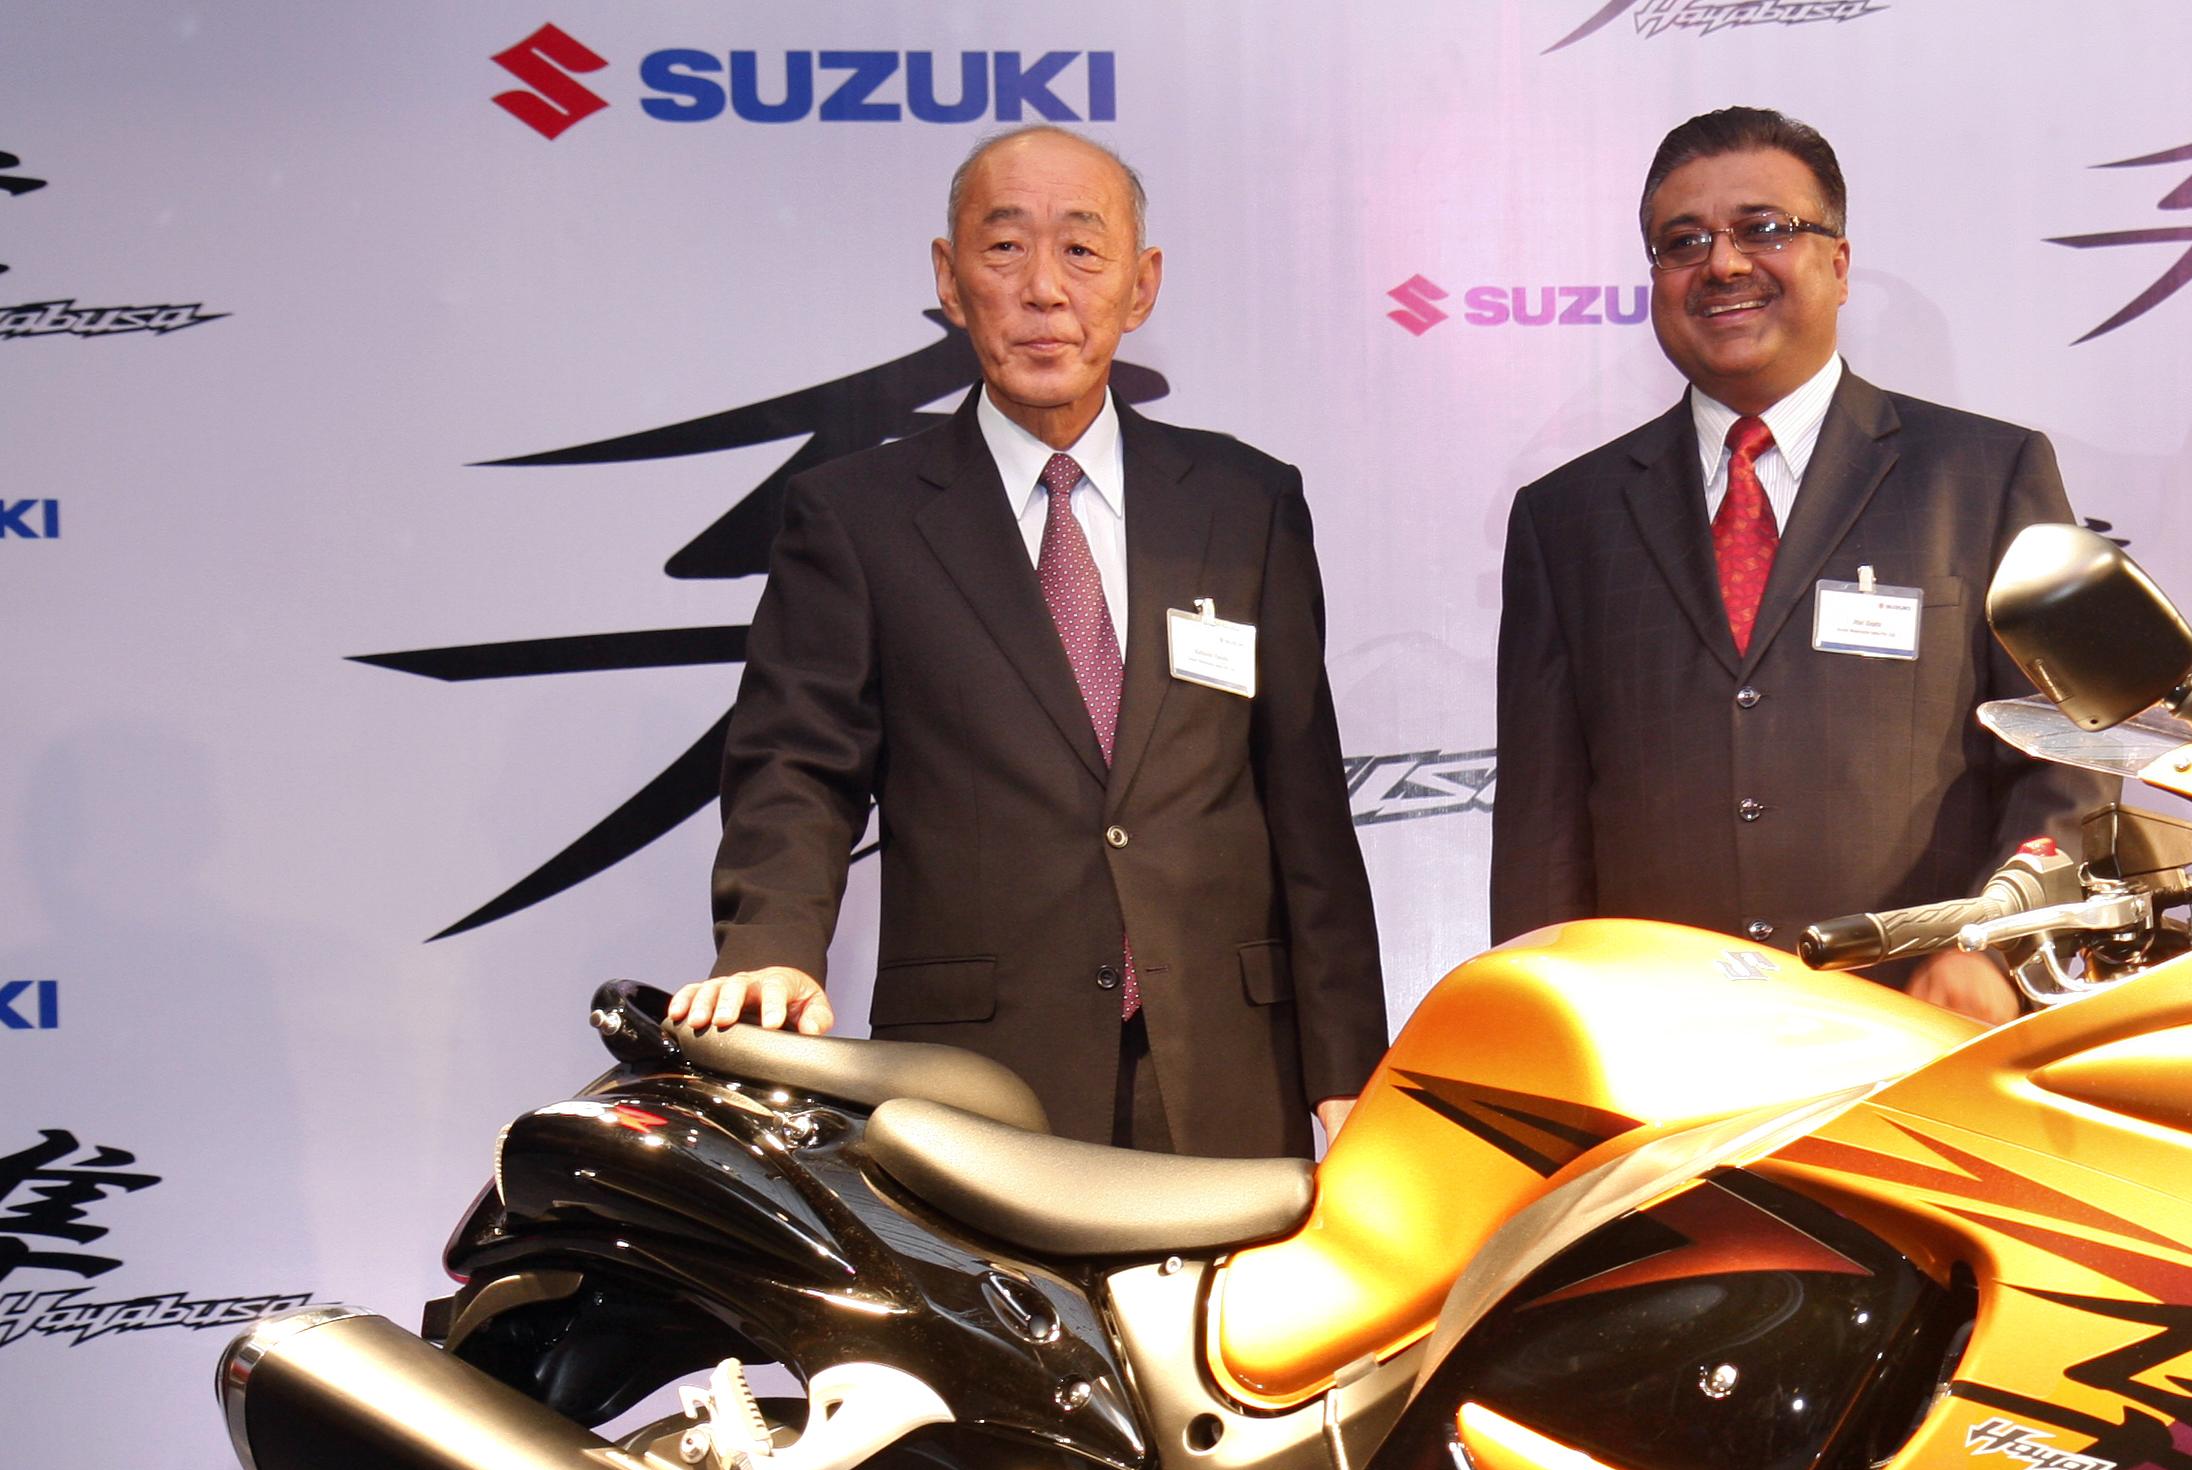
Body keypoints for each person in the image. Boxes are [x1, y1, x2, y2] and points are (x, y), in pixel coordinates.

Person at [678, 126, 1386, 1154]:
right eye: (1005, 248)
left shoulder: (1246, 502)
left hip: (1227, 1065)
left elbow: (1304, 801)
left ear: (1141, 286)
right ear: (949, 278)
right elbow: (798, 766)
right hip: (975, 1078)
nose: (1045, 289)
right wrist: (771, 944)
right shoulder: (856, 517)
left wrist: (1348, 1066)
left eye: (1083, 250)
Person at [1490, 106, 2113, 1022]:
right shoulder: (1567, 518)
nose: (1723, 264)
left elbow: (2069, 756)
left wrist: (1998, 947)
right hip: (1663, 1042)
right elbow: (1540, 833)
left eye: (1764, 229)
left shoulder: (1984, 476)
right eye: (1683, 242)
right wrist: (1540, 1027)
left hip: (1925, 1028)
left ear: (1839, 264)